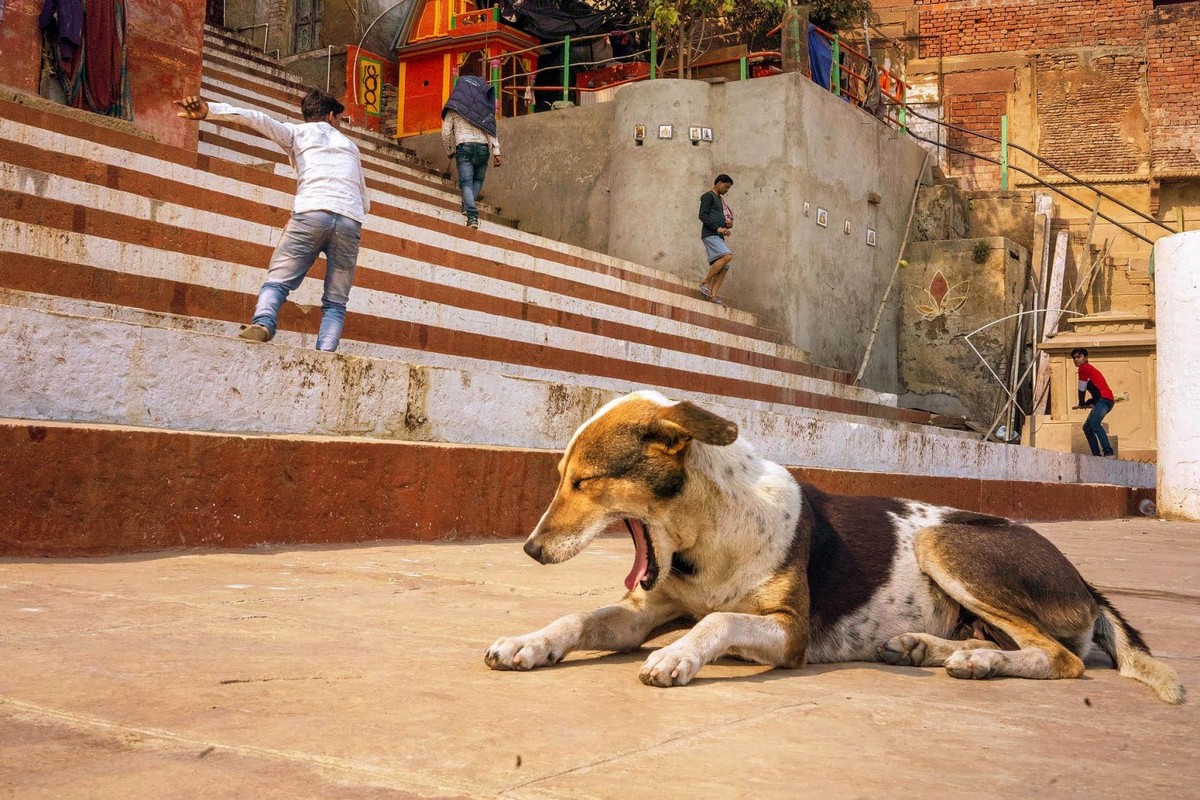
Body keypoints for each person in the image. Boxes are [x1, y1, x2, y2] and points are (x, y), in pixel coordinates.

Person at [174, 89, 370, 353]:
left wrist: (210, 111)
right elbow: (364, 198)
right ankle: (326, 350)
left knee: (277, 281)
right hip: (350, 220)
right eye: (338, 120)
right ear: (331, 116)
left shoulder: (296, 133)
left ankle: (264, 323)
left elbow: (257, 118)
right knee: (336, 301)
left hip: (311, 212)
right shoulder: (350, 147)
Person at [441, 76, 502, 229]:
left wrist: (449, 150)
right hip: (483, 149)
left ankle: (472, 216)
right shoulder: (484, 108)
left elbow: (446, 132)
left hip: (464, 147)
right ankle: (467, 206)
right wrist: (496, 152)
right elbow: (490, 131)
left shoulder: (453, 107)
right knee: (477, 181)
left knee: (466, 182)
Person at [1071, 348, 1116, 458]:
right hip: (1103, 400)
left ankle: (1108, 452)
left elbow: (1081, 388)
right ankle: (1096, 455)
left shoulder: (1084, 368)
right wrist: (1089, 402)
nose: (1076, 360)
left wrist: (1081, 402)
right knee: (1087, 427)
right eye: (1074, 358)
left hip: (1104, 400)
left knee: (1095, 424)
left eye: (1079, 357)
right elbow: (1096, 391)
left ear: (1086, 358)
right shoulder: (1089, 369)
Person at [698, 174, 734, 306]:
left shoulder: (720, 200)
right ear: (719, 182)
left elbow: (720, 218)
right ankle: (705, 282)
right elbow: (702, 215)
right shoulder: (708, 196)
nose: (727, 190)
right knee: (727, 256)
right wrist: (718, 228)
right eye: (726, 186)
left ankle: (713, 295)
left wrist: (726, 225)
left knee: (724, 267)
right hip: (710, 234)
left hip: (718, 235)